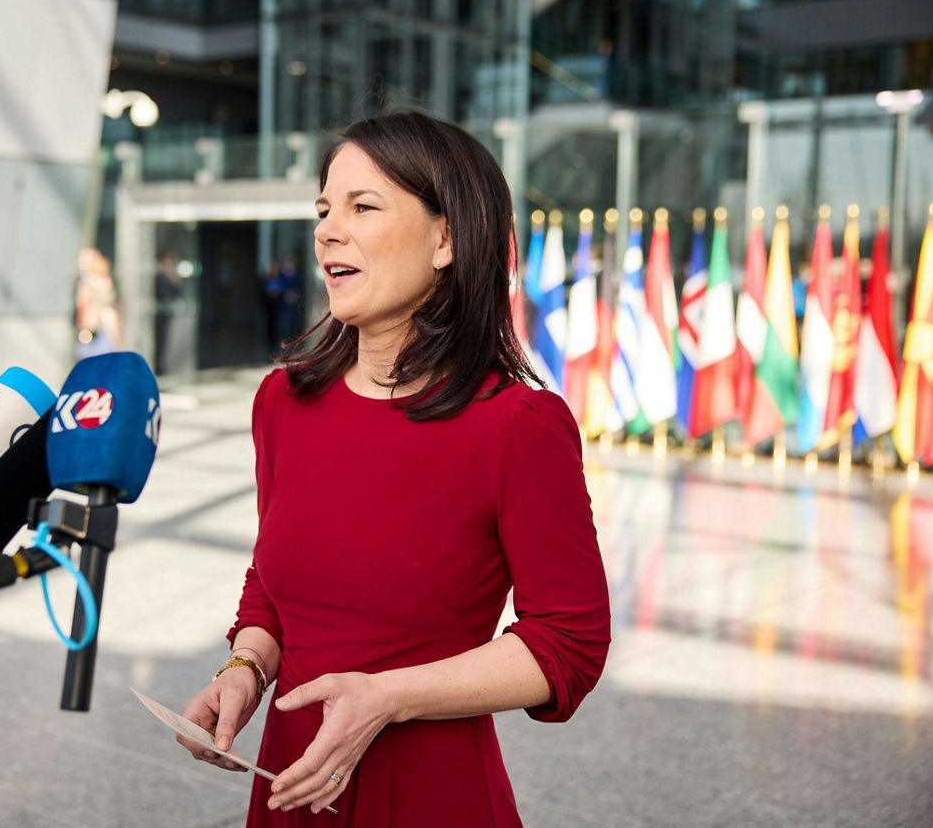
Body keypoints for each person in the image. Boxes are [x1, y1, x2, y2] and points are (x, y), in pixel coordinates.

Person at [178, 110, 611, 826]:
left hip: (430, 795)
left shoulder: (518, 425)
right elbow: (273, 585)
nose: (327, 231)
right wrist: (245, 669)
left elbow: (570, 642)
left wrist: (388, 698)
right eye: (324, 209)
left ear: (446, 240)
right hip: (290, 789)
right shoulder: (283, 402)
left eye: (363, 207)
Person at [73, 247, 121, 360]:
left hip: (94, 323)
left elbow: (83, 304)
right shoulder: (105, 283)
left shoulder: (89, 282)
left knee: (92, 353)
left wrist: (80, 324)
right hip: (103, 323)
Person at [154, 250, 183, 375]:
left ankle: (160, 366)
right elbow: (162, 294)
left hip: (164, 314)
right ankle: (158, 367)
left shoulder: (168, 276)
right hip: (158, 315)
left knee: (163, 342)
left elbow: (177, 294)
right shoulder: (158, 276)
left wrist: (175, 280)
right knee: (159, 342)